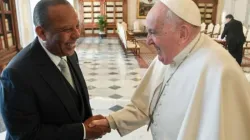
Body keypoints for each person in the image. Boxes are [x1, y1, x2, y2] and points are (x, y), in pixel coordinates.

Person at [89, 0, 250, 139]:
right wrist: (111, 121)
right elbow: (144, 105)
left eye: (153, 32)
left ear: (182, 33)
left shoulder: (221, 71)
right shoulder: (168, 55)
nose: (148, 41)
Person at [0, 0, 109, 139]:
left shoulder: (68, 52)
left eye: (77, 26)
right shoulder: (16, 74)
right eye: (67, 29)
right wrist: (82, 132)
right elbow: (25, 134)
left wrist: (89, 124)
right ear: (42, 33)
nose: (76, 34)